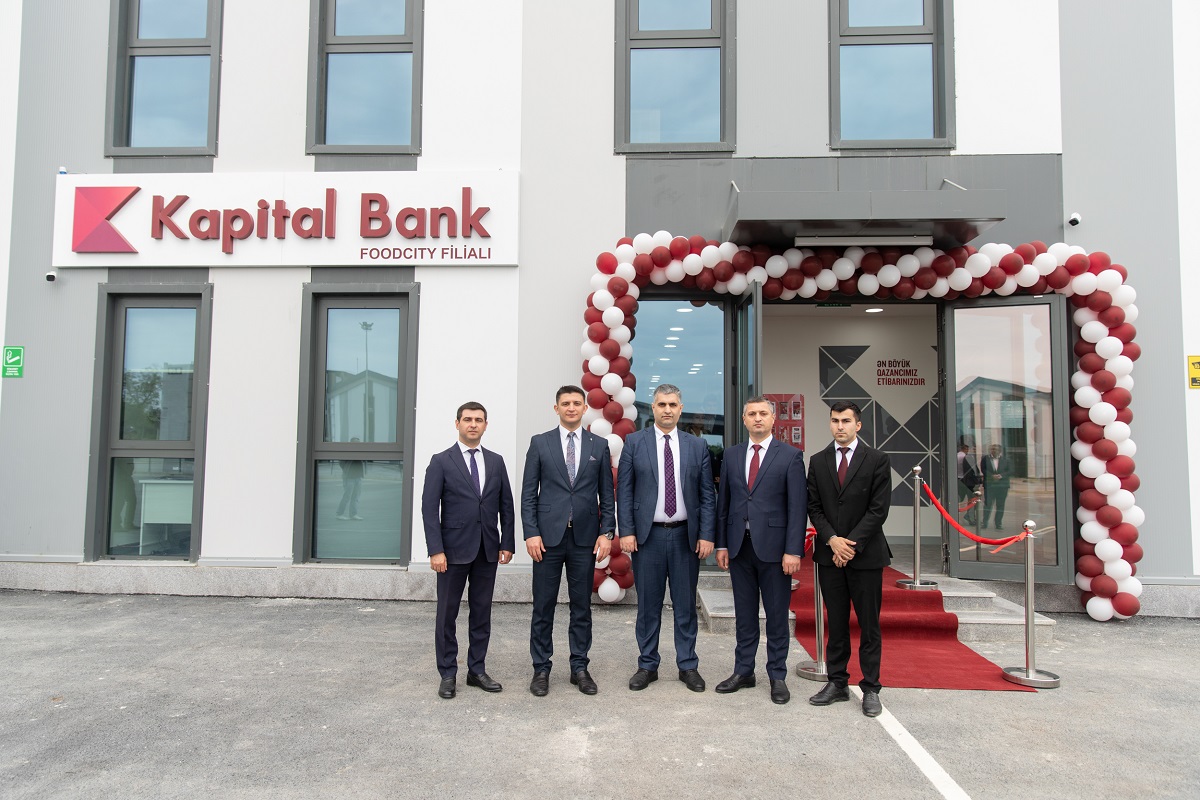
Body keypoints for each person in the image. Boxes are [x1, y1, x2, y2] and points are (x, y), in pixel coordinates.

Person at [616, 383, 715, 693]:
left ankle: (688, 666)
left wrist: (707, 535)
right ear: (654, 407)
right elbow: (625, 491)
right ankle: (647, 665)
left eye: (673, 405)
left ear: (680, 409)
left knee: (685, 605)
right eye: (662, 404)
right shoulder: (634, 442)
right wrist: (627, 531)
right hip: (648, 538)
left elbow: (707, 495)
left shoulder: (697, 446)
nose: (667, 410)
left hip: (686, 536)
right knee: (648, 606)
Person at [521, 385, 616, 696]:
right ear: (556, 408)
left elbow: (607, 494)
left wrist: (607, 532)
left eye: (577, 403)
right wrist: (531, 532)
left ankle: (579, 667)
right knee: (543, 605)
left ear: (585, 408)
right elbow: (528, 494)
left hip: (584, 539)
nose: (571, 408)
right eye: (566, 403)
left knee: (581, 607)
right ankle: (541, 668)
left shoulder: (599, 445)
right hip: (546, 539)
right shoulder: (540, 443)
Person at [714, 396, 807, 704]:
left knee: (777, 616)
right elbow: (724, 503)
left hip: (776, 551)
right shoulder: (731, 455)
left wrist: (793, 550)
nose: (757, 418)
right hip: (739, 548)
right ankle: (744, 671)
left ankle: (777, 675)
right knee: (744, 615)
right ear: (744, 420)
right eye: (751, 413)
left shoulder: (790, 456)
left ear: (772, 419)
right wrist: (722, 543)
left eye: (763, 413)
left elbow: (797, 507)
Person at [421, 401, 515, 700]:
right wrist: (435, 550)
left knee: (482, 613)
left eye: (479, 420)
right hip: (451, 552)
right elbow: (429, 509)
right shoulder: (441, 461)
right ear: (457, 423)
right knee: (447, 614)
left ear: (486, 425)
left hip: (487, 550)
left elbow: (506, 506)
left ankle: (477, 670)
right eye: (467, 419)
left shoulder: (496, 461)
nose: (473, 424)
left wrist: (507, 542)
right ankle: (448, 673)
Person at [806, 401, 892, 718]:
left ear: (858, 425)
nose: (839, 426)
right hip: (830, 555)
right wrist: (832, 540)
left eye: (845, 421)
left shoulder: (877, 460)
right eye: (834, 420)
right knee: (837, 623)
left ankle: (871, 688)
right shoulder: (818, 461)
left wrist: (850, 545)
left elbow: (878, 509)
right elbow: (814, 507)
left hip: (865, 556)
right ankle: (837, 683)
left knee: (869, 625)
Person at [981, 443, 1012, 531]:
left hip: (1002, 486)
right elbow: (983, 469)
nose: (993, 451)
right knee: (988, 505)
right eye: (992, 449)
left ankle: (998, 523)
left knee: (1000, 505)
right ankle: (984, 522)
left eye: (995, 449)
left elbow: (1010, 471)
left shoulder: (1006, 460)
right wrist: (991, 476)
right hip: (990, 486)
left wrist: (1001, 476)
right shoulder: (985, 459)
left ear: (1000, 451)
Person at [336, 438, 365, 520]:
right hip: (349, 478)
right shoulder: (347, 452)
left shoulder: (359, 452)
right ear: (351, 443)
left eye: (359, 443)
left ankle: (353, 514)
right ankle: (339, 514)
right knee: (347, 496)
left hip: (358, 477)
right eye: (356, 443)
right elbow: (341, 463)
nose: (358, 445)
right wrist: (346, 470)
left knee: (355, 497)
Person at [956, 441, 981, 525]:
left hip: (959, 479)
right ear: (966, 449)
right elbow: (971, 470)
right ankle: (970, 516)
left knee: (960, 498)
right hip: (967, 481)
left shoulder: (956, 455)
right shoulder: (966, 457)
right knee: (972, 499)